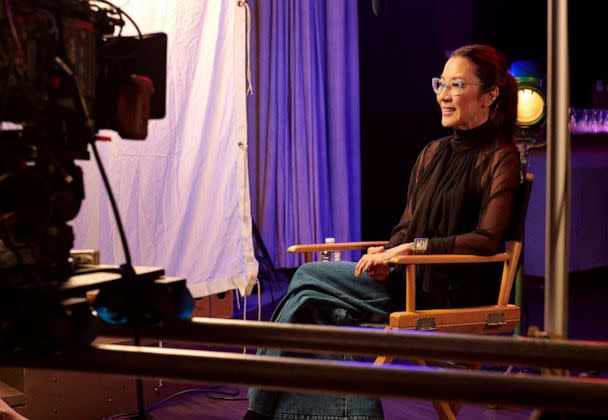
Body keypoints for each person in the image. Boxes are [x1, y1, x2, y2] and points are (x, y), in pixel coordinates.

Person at [244, 44, 521, 420]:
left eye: (456, 85)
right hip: (405, 279)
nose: (443, 95)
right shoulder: (432, 153)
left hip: (450, 291)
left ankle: (258, 412)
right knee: (316, 308)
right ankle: (353, 413)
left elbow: (488, 239)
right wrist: (385, 258)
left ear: (490, 95)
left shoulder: (501, 157)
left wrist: (409, 250)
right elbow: (405, 227)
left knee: (307, 277)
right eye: (441, 83)